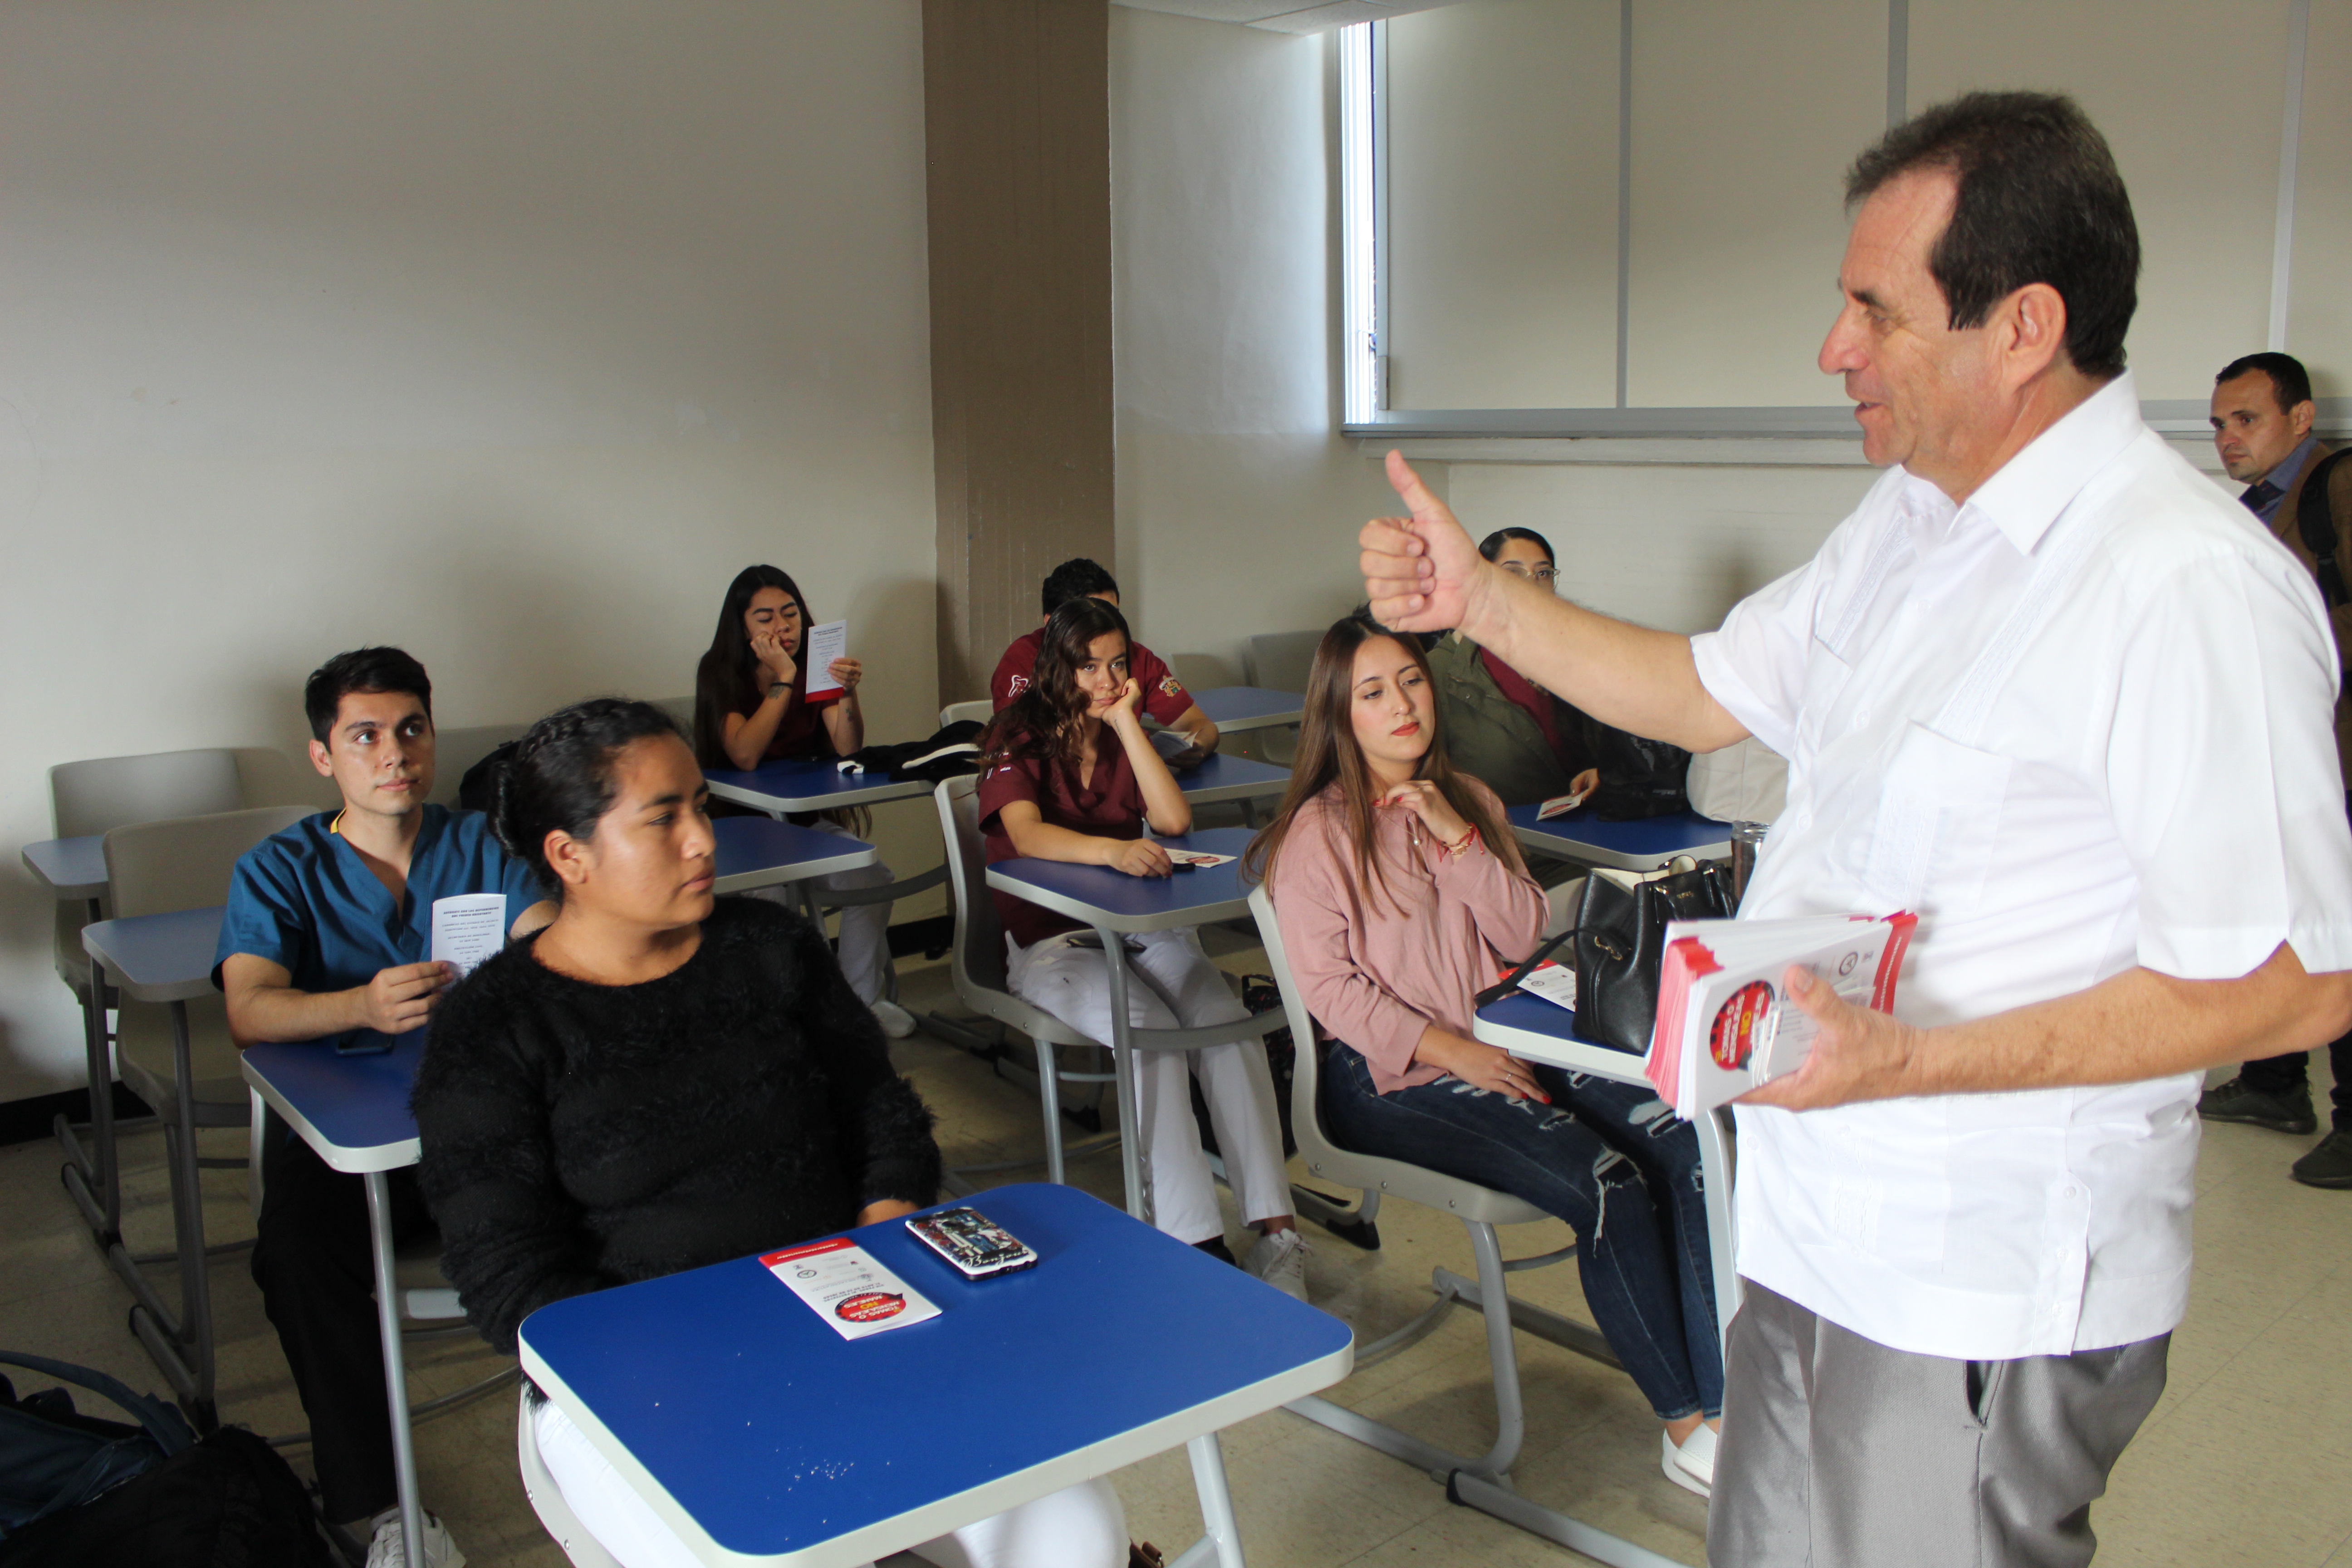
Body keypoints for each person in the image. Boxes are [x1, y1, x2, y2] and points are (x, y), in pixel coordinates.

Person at [1359, 92, 2352, 1568]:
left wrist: (1914, 1060)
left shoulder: (2180, 583)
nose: (1832, 347)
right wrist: (1483, 604)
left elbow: (2291, 978)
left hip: (1981, 1278)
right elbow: (1704, 688)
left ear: (2020, 327)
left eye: (1872, 310)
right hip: (1812, 1229)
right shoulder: (1906, 524)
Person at [413, 699, 1127, 1568]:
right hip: (637, 1381)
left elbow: (881, 1110)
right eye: (662, 819)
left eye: (700, 806)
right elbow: (507, 1275)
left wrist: (888, 1237)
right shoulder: (492, 1029)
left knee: (1077, 1537)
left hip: (850, 1311)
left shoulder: (769, 948)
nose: (703, 841)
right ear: (570, 856)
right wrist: (711, 1363)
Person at [1252, 614, 1723, 1495]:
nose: (1403, 704)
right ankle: (1685, 1423)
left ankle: (1729, 1405)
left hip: (1508, 1039)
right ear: (1337, 715)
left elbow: (1521, 935)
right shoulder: (1316, 834)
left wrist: (1458, 833)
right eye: (1374, 692)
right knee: (1606, 1181)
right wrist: (1452, 1053)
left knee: (1687, 1142)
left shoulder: (1465, 794)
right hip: (1392, 1075)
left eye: (1413, 681)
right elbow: (1333, 994)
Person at [215, 646, 555, 1568]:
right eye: (365, 735)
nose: (394, 753)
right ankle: (388, 1505)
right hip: (340, 1138)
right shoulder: (279, 869)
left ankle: (609, 1433)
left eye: (412, 729)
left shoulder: (478, 845)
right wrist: (357, 1007)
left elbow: (546, 945)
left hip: (477, 1122)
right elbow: (249, 1009)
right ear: (324, 756)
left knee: (623, 1184)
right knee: (294, 1257)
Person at [978, 597, 1304, 1295]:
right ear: (1056, 668)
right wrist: (1113, 852)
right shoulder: (1018, 732)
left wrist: (1128, 720)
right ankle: (1195, 1243)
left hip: (1142, 933)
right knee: (1150, 1034)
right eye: (1088, 667)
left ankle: (1279, 1234)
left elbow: (1175, 817)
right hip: (1053, 943)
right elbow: (1027, 833)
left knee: (1226, 1026)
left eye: (1117, 665)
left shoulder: (1126, 728)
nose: (1104, 679)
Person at [2199, 351, 2352, 1188]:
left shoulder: (2335, 489)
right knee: (2276, 918)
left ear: (2299, 419)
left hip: (2336, 753)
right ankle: (2271, 1082)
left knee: (2337, 929)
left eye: (2245, 420)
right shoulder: (2249, 510)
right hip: (2279, 760)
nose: (2226, 439)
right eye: (2218, 424)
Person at [691, 564, 915, 1038]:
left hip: (802, 823)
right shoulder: (721, 671)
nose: (782, 628)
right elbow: (745, 754)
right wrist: (785, 678)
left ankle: (858, 1006)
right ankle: (786, 1024)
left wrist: (847, 692)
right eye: (766, 618)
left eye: (790, 615)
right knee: (772, 901)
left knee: (871, 879)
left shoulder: (819, 659)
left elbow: (847, 746)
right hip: (742, 830)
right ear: (743, 626)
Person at [1424, 527, 1600, 807]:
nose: (1531, 585)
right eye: (1513, 573)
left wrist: (1605, 774)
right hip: (1501, 842)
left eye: (1543, 573)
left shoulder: (1578, 656)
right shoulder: (1441, 671)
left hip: (1587, 839)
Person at [990, 558, 1220, 754]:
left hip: (1128, 788)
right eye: (1087, 619)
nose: (1109, 681)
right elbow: (1018, 740)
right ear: (1052, 624)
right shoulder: (1024, 657)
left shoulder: (1136, 656)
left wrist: (1196, 748)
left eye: (1111, 614)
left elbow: (1200, 725)